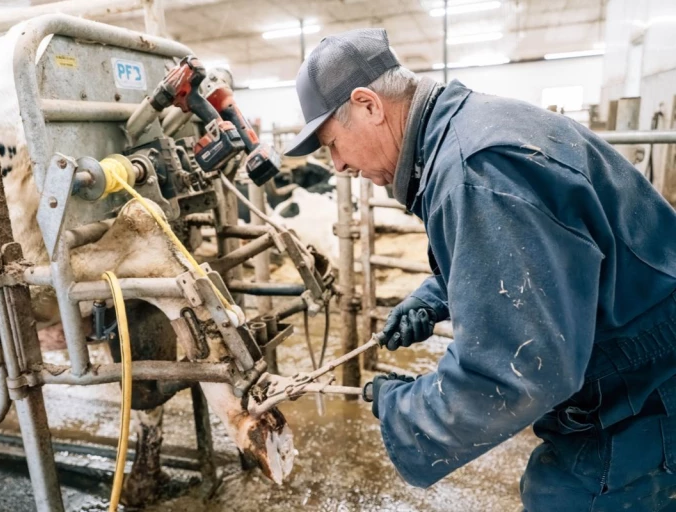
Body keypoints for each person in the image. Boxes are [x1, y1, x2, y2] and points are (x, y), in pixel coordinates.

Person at [284, 28, 676, 511]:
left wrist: (401, 408)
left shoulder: (477, 171)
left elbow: (516, 368)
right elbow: (545, 256)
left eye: (332, 143)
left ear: (368, 105)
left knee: (567, 497)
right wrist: (435, 296)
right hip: (638, 364)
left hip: (647, 392)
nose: (338, 164)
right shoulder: (468, 131)